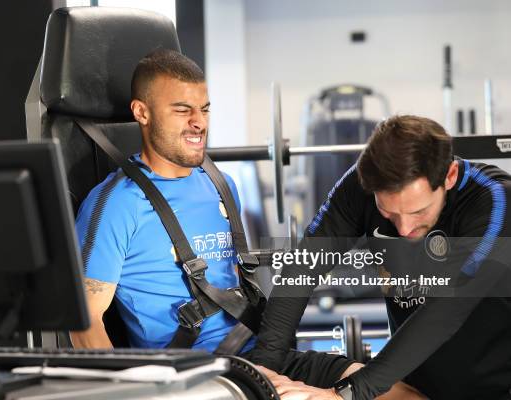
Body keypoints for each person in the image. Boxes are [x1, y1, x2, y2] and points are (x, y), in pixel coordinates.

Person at [68, 49, 420, 399]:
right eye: (182, 110)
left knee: (401, 394)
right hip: (194, 376)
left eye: (204, 109)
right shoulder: (116, 205)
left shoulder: (218, 183)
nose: (199, 122)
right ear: (141, 112)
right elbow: (84, 325)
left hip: (259, 358)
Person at [250, 115, 511, 399]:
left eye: (418, 212)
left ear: (448, 176)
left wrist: (348, 394)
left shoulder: (495, 201)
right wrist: (263, 370)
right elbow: (304, 267)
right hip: (417, 381)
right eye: (389, 213)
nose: (404, 228)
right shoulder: (358, 185)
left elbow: (448, 310)